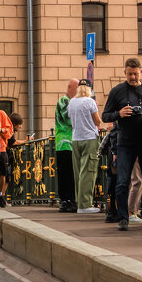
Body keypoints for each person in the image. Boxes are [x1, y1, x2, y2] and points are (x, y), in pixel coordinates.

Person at [101, 57, 142, 231]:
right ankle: (123, 218)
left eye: (135, 73)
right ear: (124, 72)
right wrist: (119, 113)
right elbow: (105, 116)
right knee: (122, 181)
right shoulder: (117, 91)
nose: (133, 77)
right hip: (125, 142)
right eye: (129, 74)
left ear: (141, 72)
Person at [69, 80, 102, 213]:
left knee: (78, 172)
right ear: (89, 89)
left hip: (76, 138)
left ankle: (79, 202)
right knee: (88, 171)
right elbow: (97, 121)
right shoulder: (90, 102)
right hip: (89, 138)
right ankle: (85, 204)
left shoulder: (71, 102)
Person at [53, 79, 76, 212]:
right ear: (70, 87)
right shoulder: (64, 100)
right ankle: (66, 200)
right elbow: (70, 119)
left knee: (68, 173)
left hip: (67, 143)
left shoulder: (69, 101)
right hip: (65, 143)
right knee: (66, 173)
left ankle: (68, 200)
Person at [0, 109, 15, 207]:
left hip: (1, 148)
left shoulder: (1, 113)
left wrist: (1, 130)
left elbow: (10, 131)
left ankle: (0, 194)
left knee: (2, 174)